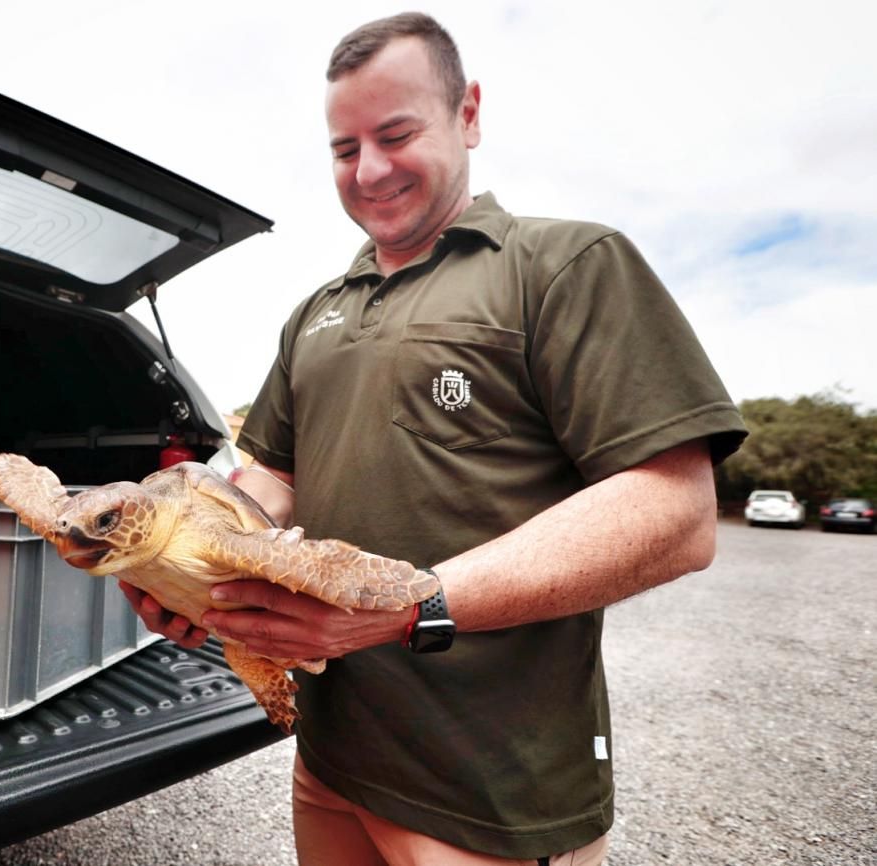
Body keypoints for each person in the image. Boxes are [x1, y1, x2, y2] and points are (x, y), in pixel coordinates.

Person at [121, 12, 746, 866]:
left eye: (396, 135)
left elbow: (677, 514)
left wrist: (408, 607)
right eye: (345, 149)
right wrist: (187, 567)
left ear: (468, 114)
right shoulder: (315, 313)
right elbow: (274, 480)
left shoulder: (561, 265)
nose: (370, 171)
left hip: (489, 791)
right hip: (332, 760)